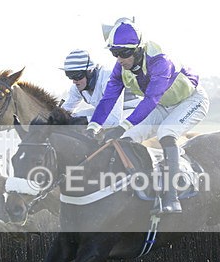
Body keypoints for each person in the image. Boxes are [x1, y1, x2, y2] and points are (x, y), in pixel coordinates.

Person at [86, 18, 209, 214]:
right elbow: (108, 98)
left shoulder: (161, 62)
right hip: (162, 104)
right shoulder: (121, 67)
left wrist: (122, 125)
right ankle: (138, 190)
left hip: (190, 101)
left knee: (166, 133)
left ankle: (172, 196)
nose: (119, 59)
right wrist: (92, 127)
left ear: (138, 49)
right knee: (128, 139)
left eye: (124, 53)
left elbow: (150, 99)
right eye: (114, 53)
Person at [59, 49, 138, 127]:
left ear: (89, 71)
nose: (74, 81)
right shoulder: (77, 86)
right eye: (70, 76)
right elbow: (66, 109)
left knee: (82, 120)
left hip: (132, 110)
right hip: (108, 112)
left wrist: (84, 121)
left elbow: (114, 120)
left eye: (76, 76)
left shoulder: (108, 79)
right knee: (75, 116)